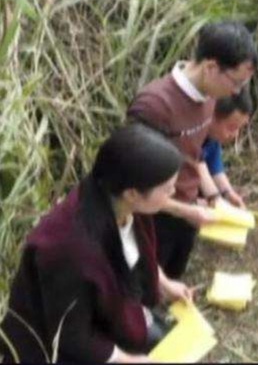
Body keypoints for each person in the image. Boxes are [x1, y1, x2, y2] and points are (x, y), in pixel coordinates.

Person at [0, 123, 193, 363]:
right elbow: (71, 335)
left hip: (110, 317)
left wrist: (164, 282)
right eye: (167, 188)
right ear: (132, 192)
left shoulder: (118, 200)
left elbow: (136, 254)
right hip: (58, 345)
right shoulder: (69, 251)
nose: (173, 192)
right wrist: (128, 360)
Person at [127, 20, 258, 279]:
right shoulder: (154, 106)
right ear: (211, 67)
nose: (236, 91)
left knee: (173, 275)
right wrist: (187, 211)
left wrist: (212, 198)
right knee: (146, 282)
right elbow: (136, 186)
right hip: (154, 216)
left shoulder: (210, 98)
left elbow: (195, 154)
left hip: (186, 211)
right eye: (236, 82)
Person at [199, 89, 253, 209]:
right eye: (231, 127)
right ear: (211, 116)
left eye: (239, 128)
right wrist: (215, 200)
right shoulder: (191, 133)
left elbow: (215, 169)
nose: (235, 134)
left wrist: (229, 194)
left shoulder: (213, 139)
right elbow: (196, 164)